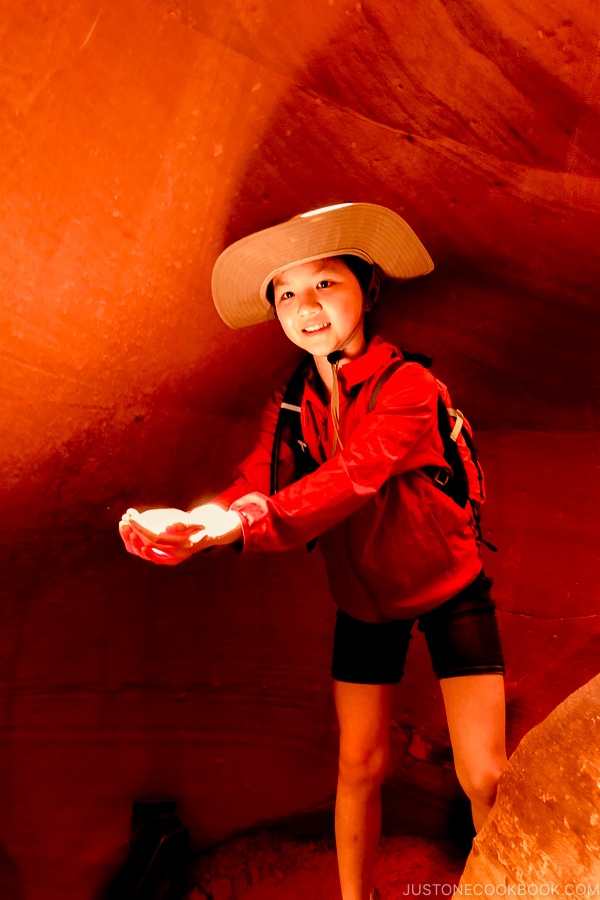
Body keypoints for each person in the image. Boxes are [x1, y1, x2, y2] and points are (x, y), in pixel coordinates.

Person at [119, 202, 507, 900]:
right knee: (358, 764)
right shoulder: (295, 400)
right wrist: (200, 521)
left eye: (326, 283)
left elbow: (348, 480)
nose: (307, 306)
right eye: (287, 294)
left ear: (369, 287)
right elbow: (256, 478)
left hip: (451, 589)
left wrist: (238, 528)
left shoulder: (409, 387)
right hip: (364, 602)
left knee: (485, 777)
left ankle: (505, 889)